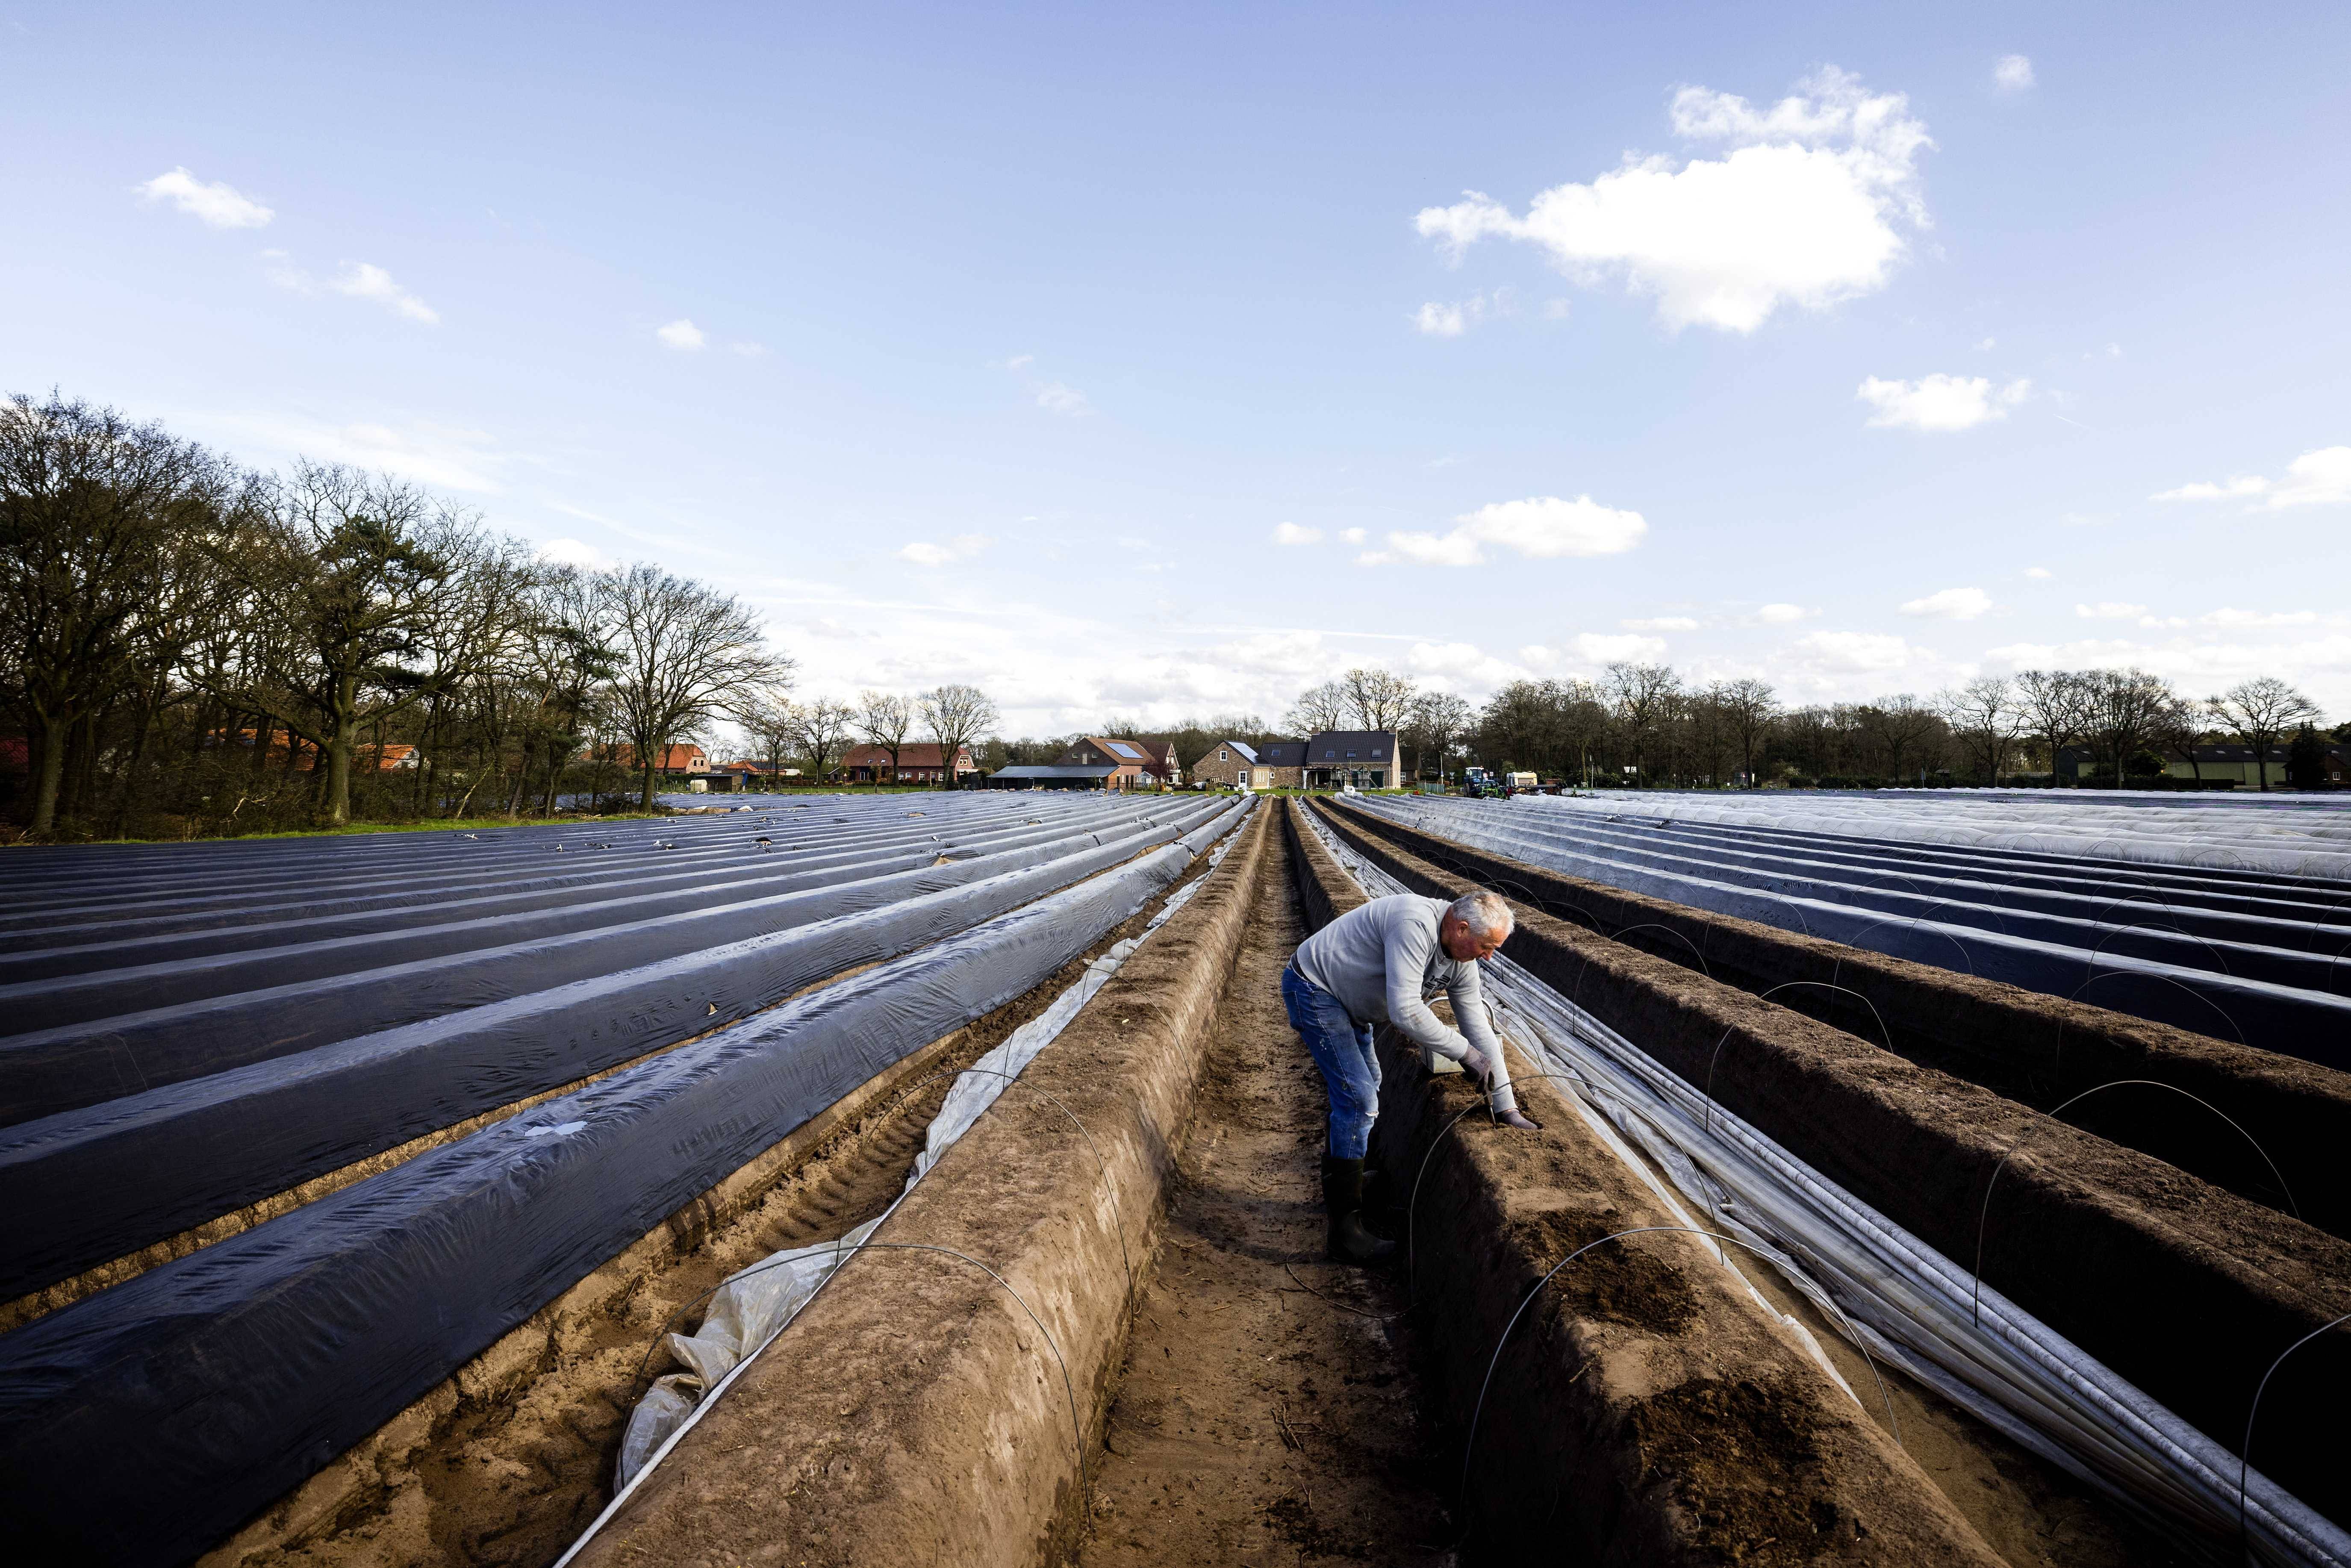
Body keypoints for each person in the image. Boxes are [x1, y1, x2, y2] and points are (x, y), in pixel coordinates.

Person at [1282, 889, 1540, 1264]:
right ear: (1462, 928)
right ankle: (1345, 1232)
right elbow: (1405, 1010)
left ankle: (1344, 1185)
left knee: (1369, 1082)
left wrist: (1507, 1107)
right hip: (1316, 988)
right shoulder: (1414, 923)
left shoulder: (1461, 960)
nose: (1489, 956)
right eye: (1487, 946)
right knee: (1358, 1099)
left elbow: (1478, 1029)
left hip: (1350, 1003)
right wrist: (1464, 1054)